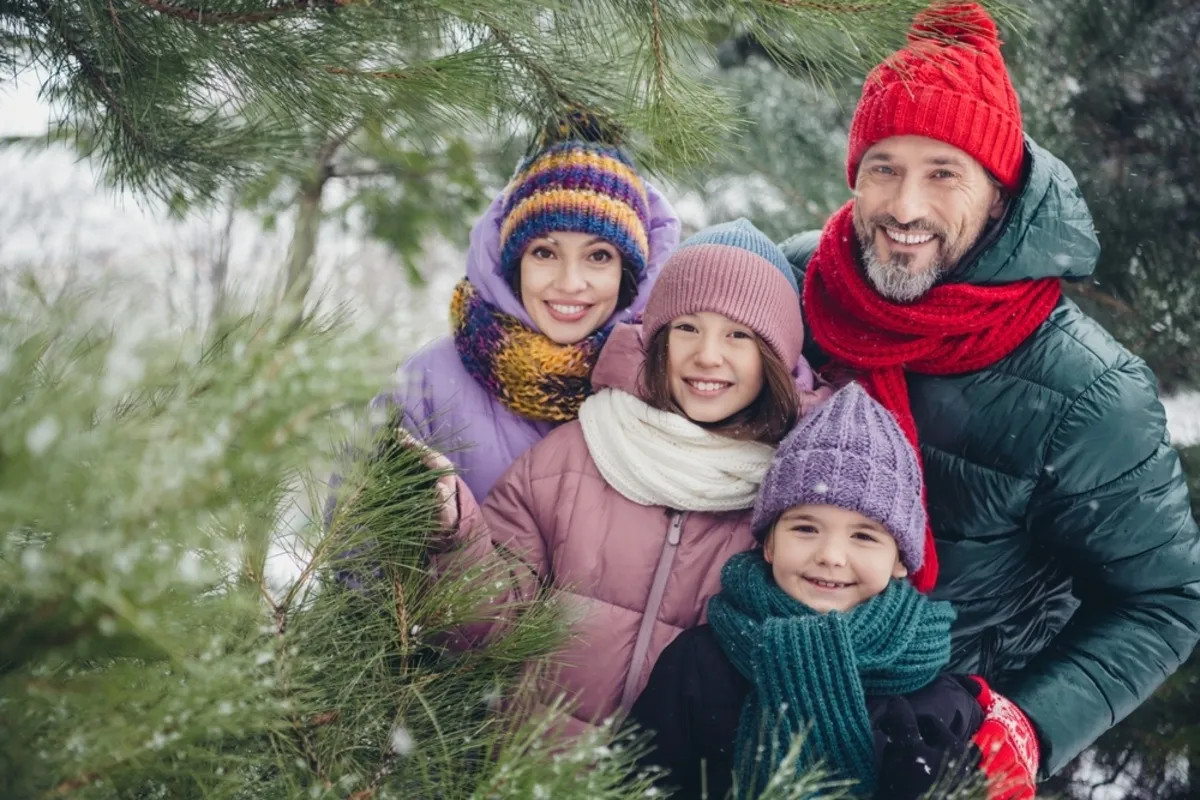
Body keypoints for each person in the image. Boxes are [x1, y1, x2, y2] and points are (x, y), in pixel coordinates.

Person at [778, 1, 1200, 783]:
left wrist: (1026, 726)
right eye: (885, 168)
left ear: (1000, 192)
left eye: (944, 174)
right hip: (749, 696)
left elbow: (1164, 600)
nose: (905, 208)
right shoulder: (799, 284)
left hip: (934, 748)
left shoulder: (1088, 390)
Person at [435, 219, 828, 737]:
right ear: (657, 339)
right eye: (687, 327)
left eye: (739, 335)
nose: (708, 355)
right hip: (539, 776)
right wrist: (454, 534)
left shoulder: (795, 492)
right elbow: (483, 630)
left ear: (776, 357)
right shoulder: (571, 457)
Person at [629, 383, 986, 800]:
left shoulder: (935, 696)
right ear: (769, 542)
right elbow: (632, 786)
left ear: (900, 559)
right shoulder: (699, 663)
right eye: (805, 528)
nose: (831, 555)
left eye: (864, 536)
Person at [383, 110, 680, 500]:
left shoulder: (663, 380)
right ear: (514, 262)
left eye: (598, 256)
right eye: (545, 253)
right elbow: (360, 544)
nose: (570, 283)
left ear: (627, 271)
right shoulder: (429, 382)